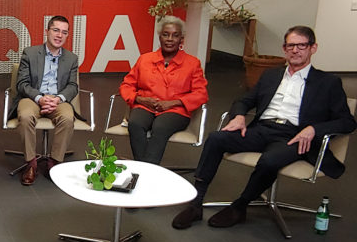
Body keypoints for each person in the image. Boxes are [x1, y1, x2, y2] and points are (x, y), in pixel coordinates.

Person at [172, 25, 356, 230]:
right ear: (284, 49)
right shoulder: (271, 76)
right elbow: (244, 100)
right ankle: (196, 204)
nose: (295, 50)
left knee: (270, 160)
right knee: (216, 138)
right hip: (263, 128)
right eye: (291, 45)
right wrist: (240, 115)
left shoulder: (328, 82)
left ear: (313, 48)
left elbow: (347, 122)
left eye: (301, 45)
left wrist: (314, 129)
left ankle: (240, 207)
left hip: (294, 136)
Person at [119, 16, 208, 164]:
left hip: (176, 110)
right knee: (135, 123)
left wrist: (174, 103)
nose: (170, 39)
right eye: (166, 34)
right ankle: (146, 168)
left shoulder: (192, 63)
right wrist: (140, 99)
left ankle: (144, 170)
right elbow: (126, 85)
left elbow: (201, 93)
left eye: (175, 35)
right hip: (145, 105)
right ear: (160, 37)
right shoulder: (144, 59)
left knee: (160, 127)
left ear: (181, 39)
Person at [8, 15, 79, 185]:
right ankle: (31, 163)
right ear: (46, 31)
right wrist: (40, 98)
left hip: (58, 100)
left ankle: (54, 162)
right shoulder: (30, 53)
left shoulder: (71, 58)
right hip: (32, 97)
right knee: (25, 116)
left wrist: (58, 99)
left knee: (68, 119)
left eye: (64, 32)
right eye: (55, 30)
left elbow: (72, 86)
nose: (59, 35)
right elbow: (22, 83)